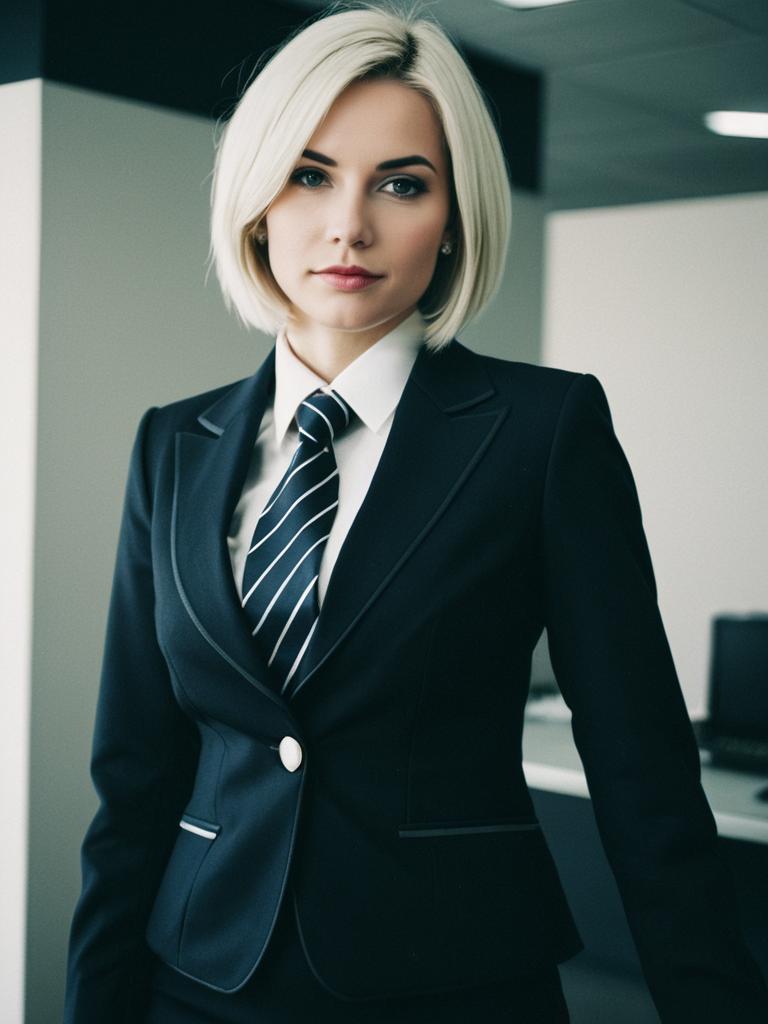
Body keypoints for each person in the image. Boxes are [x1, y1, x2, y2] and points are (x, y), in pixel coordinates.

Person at [63, 2, 768, 1021]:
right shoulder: (174, 444)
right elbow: (134, 778)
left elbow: (640, 767)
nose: (350, 222)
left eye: (402, 183)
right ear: (257, 202)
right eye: (310, 174)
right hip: (199, 976)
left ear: (454, 219)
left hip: (453, 981)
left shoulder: (542, 429)